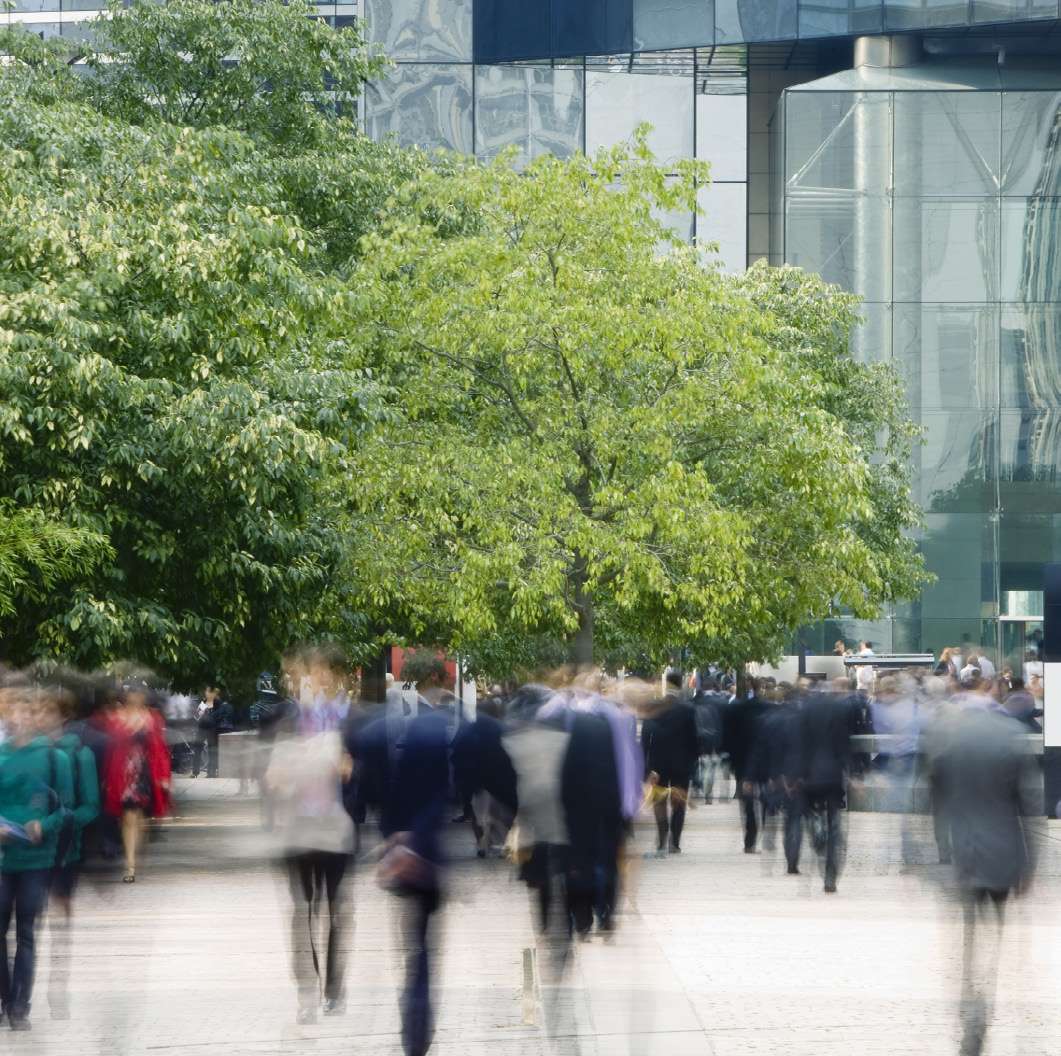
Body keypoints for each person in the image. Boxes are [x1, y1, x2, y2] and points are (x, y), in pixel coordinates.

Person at [934, 701, 1039, 1056]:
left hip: (965, 856)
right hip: (1004, 857)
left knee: (968, 939)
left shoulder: (952, 748)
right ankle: (982, 1005)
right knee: (994, 940)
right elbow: (1028, 806)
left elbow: (937, 803)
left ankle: (970, 1014)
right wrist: (1031, 864)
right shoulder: (1012, 743)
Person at [265, 679, 356, 1024]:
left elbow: (353, 775)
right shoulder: (287, 742)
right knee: (302, 916)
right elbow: (274, 782)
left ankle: (333, 991)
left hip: (333, 833)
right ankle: (307, 994)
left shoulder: (340, 732)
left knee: (336, 915)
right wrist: (280, 777)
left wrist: (346, 768)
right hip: (300, 835)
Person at [0, 683, 73, 1029]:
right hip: (2, 857)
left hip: (36, 860)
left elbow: (66, 809)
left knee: (26, 931)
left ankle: (19, 1006)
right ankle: (5, 997)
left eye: (28, 712)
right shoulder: (0, 757)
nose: (20, 718)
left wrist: (43, 824)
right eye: (14, 711)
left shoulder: (53, 758)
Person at [101, 686, 171, 883]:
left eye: (139, 695)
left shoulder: (153, 717)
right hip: (122, 773)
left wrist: (165, 776)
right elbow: (110, 746)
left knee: (139, 816)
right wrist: (106, 776)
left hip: (145, 772)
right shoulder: (116, 717)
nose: (136, 698)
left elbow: (161, 748)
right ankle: (130, 864)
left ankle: (138, 852)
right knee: (128, 816)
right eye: (132, 695)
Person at [640, 671, 699, 855]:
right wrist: (692, 762)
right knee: (679, 803)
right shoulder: (687, 709)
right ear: (681, 685)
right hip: (681, 765)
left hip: (658, 765)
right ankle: (675, 841)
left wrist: (646, 767)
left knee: (659, 802)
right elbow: (694, 740)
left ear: (666, 684)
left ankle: (662, 835)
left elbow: (645, 738)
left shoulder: (655, 709)